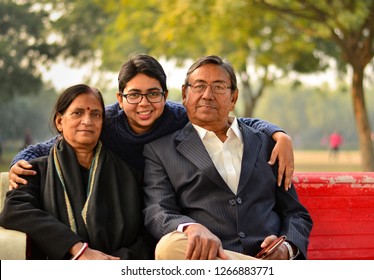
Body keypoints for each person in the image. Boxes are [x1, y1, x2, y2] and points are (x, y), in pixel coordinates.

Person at [8, 54, 294, 190]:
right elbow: (51, 145)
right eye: (134, 95)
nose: (144, 104)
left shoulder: (178, 116)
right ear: (120, 99)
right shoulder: (105, 121)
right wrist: (19, 161)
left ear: (166, 95)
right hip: (118, 201)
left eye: (153, 94)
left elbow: (235, 121)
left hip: (168, 197)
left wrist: (279, 134)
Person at [143, 55, 313, 260]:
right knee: (169, 247)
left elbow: (296, 213)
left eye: (219, 87)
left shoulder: (267, 144)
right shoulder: (160, 151)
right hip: (211, 260)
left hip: (266, 255)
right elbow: (158, 211)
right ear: (184, 94)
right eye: (199, 86)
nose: (207, 95)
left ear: (233, 98)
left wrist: (287, 247)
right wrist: (191, 228)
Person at [0, 84, 153, 259]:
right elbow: (13, 211)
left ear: (102, 123)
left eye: (95, 114)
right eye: (77, 113)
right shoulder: (35, 171)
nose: (87, 121)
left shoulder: (129, 176)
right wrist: (79, 249)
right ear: (59, 122)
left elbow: (144, 235)